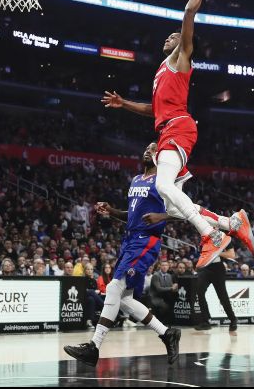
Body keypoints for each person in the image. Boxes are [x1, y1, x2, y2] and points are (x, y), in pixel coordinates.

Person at [101, 0, 254, 268]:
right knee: (171, 202)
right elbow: (153, 110)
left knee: (162, 186)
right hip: (169, 128)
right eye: (169, 36)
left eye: (173, 36)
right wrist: (124, 104)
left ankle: (211, 235)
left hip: (179, 128)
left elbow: (187, 12)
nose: (168, 37)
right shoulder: (161, 70)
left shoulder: (181, 58)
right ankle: (232, 223)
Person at [64, 143, 180, 367]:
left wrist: (161, 217)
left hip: (146, 241)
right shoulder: (137, 179)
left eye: (154, 150)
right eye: (146, 148)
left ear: (162, 158)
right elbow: (132, 215)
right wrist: (112, 211)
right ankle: (167, 333)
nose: (148, 151)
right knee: (125, 298)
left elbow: (183, 211)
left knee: (114, 287)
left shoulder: (163, 182)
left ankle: (94, 346)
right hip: (130, 240)